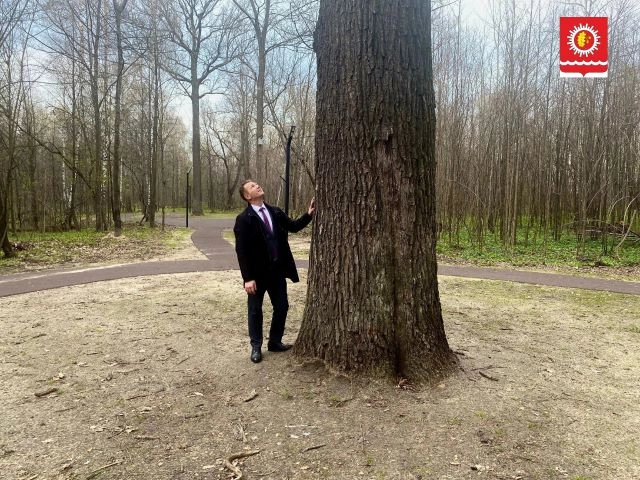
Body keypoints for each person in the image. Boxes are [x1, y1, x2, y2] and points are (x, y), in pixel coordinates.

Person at [234, 180, 315, 363]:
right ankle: (256, 347)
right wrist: (248, 278)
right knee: (255, 310)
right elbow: (242, 251)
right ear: (247, 196)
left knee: (282, 306)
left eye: (257, 184)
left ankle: (275, 342)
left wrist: (308, 215)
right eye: (253, 186)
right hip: (256, 275)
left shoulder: (275, 211)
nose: (258, 186)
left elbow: (293, 227)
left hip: (277, 271)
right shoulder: (244, 219)